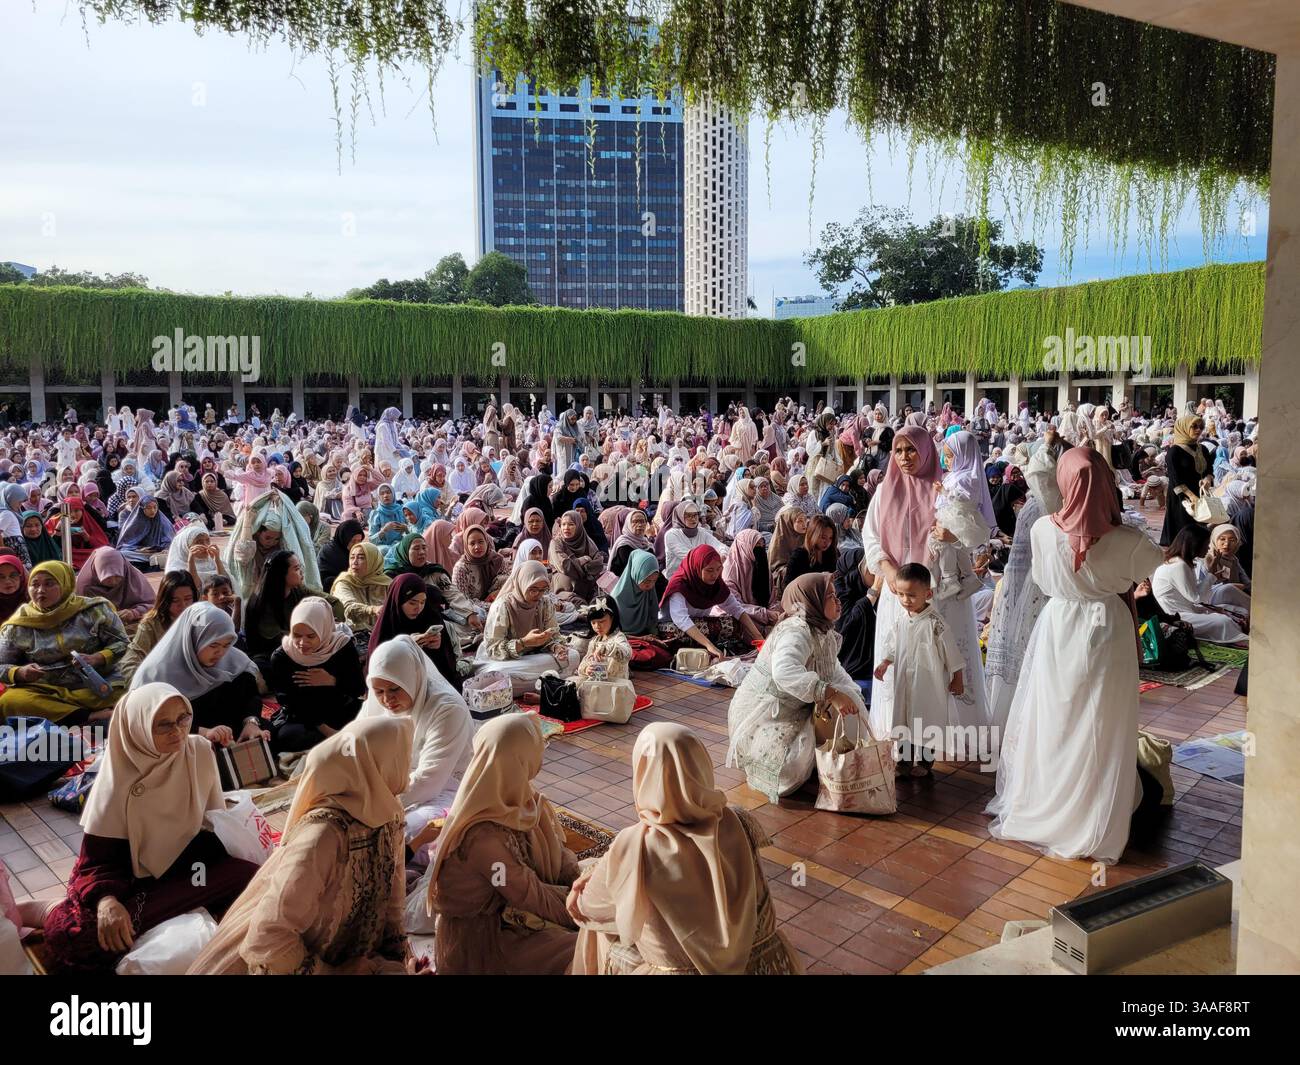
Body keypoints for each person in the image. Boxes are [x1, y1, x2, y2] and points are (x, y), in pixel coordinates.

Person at [987, 447, 1164, 866]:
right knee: (1101, 719)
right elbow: (1154, 564)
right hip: (1106, 630)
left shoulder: (1042, 531)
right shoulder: (1130, 541)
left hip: (1057, 626)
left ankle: (1047, 801)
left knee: (1055, 716)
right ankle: (1092, 810)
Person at [33, 683, 258, 974]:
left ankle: (168, 913)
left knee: (251, 878)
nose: (177, 732)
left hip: (188, 867)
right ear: (137, 728)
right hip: (127, 878)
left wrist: (202, 868)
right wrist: (107, 902)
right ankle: (45, 909)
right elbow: (97, 862)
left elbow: (211, 825)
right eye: (163, 725)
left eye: (183, 719)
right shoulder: (119, 776)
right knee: (78, 935)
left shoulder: (198, 752)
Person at [189, 717, 417, 975]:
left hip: (345, 957)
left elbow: (392, 909)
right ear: (376, 765)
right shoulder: (323, 835)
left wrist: (399, 962)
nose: (407, 766)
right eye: (401, 756)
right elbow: (267, 940)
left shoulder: (389, 813)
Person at [570, 722, 801, 975]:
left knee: (601, 928)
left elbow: (587, 908)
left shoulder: (636, 846)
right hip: (766, 963)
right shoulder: (738, 820)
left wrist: (591, 880)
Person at [864, 427, 991, 746]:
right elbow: (871, 536)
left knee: (942, 656)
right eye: (899, 451)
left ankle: (944, 735)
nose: (904, 458)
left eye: (911, 450)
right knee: (902, 658)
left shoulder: (944, 487)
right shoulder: (885, 490)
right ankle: (903, 732)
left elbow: (978, 534)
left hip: (940, 591)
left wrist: (955, 536)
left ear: (926, 452)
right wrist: (889, 570)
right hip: (900, 589)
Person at [426, 714, 581, 975]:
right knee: (587, 948)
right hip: (485, 941)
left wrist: (581, 887)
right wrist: (585, 912)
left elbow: (560, 858)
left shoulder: (514, 797)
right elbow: (530, 894)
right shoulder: (482, 839)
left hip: (512, 914)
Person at [726, 573, 865, 801]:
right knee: (790, 772)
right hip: (768, 713)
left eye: (835, 595)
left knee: (850, 700)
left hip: (797, 705)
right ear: (812, 601)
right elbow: (784, 671)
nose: (838, 601)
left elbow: (832, 668)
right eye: (830, 596)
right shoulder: (796, 631)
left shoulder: (822, 629)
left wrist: (849, 695)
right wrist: (830, 693)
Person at [358, 635, 475, 842]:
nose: (386, 699)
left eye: (395, 689)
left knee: (406, 832)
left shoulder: (446, 709)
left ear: (412, 678)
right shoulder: (378, 702)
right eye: (378, 691)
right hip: (389, 788)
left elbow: (429, 780)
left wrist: (374, 807)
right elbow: (356, 745)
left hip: (443, 789)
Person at [0, 560, 128, 722]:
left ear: (65, 584)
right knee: (10, 702)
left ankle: (66, 717)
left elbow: (123, 643)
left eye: (49, 584)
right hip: (46, 691)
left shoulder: (94, 610)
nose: (40, 590)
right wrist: (19, 673)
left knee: (129, 692)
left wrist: (98, 658)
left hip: (95, 686)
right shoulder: (18, 624)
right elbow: (1, 665)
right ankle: (89, 716)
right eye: (35, 584)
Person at [873, 563, 965, 777]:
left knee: (926, 721)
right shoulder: (902, 621)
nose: (906, 600)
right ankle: (904, 763)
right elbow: (894, 645)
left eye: (912, 596)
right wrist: (886, 662)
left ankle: (924, 762)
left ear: (928, 593)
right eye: (902, 595)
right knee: (904, 721)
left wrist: (957, 677)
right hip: (905, 683)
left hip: (927, 685)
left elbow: (951, 652)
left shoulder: (936, 624)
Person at [130, 602, 267, 745]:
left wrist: (251, 722)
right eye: (213, 645)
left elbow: (250, 696)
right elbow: (150, 722)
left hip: (231, 735)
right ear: (193, 639)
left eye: (227, 645)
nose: (220, 653)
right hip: (183, 740)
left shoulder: (233, 662)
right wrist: (204, 733)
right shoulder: (156, 675)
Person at [267, 596, 366, 753]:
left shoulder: (341, 646)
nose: (302, 643)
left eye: (311, 636)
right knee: (284, 737)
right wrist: (328, 732)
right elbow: (290, 701)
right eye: (297, 635)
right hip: (305, 717)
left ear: (324, 629)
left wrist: (332, 681)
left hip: (339, 708)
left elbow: (358, 688)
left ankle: (337, 739)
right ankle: (339, 738)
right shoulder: (283, 656)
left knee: (373, 715)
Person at [659, 544, 763, 658]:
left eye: (718, 569)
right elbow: (681, 619)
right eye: (709, 570)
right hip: (673, 627)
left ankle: (703, 646)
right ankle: (702, 647)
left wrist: (759, 638)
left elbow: (736, 609)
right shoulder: (679, 584)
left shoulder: (716, 584)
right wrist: (709, 645)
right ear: (697, 568)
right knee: (673, 631)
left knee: (734, 623)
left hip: (699, 626)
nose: (715, 575)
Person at [1150, 526, 1248, 644]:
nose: (1208, 547)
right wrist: (1211, 574)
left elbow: (1197, 594)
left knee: (1238, 611)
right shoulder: (1179, 565)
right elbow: (1196, 598)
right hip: (1178, 616)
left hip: (1191, 609)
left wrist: (1212, 576)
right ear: (1195, 545)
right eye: (1206, 544)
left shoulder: (1185, 563)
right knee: (1224, 621)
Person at [118, 571, 199, 683]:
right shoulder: (151, 624)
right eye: (175, 601)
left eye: (188, 599)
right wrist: (144, 683)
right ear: (165, 600)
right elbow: (131, 658)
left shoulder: (200, 618)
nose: (183, 606)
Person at [1160, 415, 1212, 547]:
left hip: (1200, 492)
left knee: (1200, 528)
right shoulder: (1174, 452)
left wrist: (1208, 479)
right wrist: (1191, 497)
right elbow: (1175, 478)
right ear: (1184, 428)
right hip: (1181, 496)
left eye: (1201, 427)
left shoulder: (1203, 449)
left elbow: (1209, 470)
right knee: (1183, 529)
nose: (1198, 430)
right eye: (1194, 426)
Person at [73, 546, 155, 626]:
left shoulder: (133, 577)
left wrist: (134, 612)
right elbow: (78, 614)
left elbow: (154, 605)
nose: (113, 582)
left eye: (118, 577)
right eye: (107, 578)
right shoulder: (85, 585)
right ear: (97, 574)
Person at [331, 540, 391, 633]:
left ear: (373, 561)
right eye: (352, 557)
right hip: (353, 634)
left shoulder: (386, 583)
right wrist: (372, 610)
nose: (354, 562)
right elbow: (349, 608)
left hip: (383, 633)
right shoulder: (344, 582)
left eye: (361, 558)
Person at [548, 509, 604, 602]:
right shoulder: (556, 543)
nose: (566, 528)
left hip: (588, 589)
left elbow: (598, 564)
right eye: (563, 524)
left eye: (571, 524)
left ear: (578, 526)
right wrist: (583, 560)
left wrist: (577, 566)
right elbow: (565, 566)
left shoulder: (586, 541)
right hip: (565, 591)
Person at [609, 548, 662, 638]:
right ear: (635, 574)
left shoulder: (648, 592)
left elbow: (653, 619)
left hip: (646, 638)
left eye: (654, 581)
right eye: (647, 581)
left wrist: (655, 636)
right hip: (622, 640)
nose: (651, 585)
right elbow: (612, 633)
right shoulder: (616, 598)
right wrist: (640, 638)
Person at [784, 513, 839, 584]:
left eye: (830, 538)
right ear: (813, 534)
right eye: (823, 537)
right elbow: (789, 585)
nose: (827, 542)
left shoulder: (833, 552)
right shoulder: (799, 556)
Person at [318, 518, 365, 590]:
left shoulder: (355, 551)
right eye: (353, 541)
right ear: (344, 539)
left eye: (359, 541)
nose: (356, 544)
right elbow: (324, 579)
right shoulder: (330, 552)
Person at [0, 553, 28, 623]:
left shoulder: (33, 600)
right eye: (1, 577)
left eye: (13, 575)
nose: (7, 581)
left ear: (21, 577)